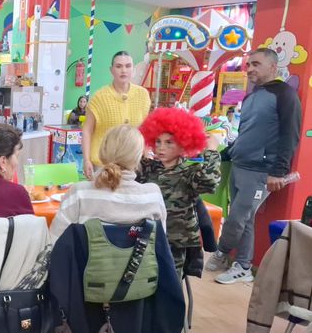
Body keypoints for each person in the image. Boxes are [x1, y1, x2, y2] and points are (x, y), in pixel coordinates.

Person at [207, 48, 302, 284]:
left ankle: (221, 252)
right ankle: (243, 265)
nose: (249, 69)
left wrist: (278, 171)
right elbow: (245, 133)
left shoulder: (285, 94)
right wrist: (225, 154)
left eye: (256, 64)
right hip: (239, 165)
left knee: (237, 218)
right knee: (245, 219)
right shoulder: (251, 96)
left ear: (273, 66)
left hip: (261, 170)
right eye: (249, 64)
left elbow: (291, 134)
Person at [137, 107, 221, 278]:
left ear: (183, 144)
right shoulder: (148, 168)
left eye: (169, 142)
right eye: (158, 141)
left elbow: (209, 182)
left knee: (171, 283)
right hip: (146, 237)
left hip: (176, 242)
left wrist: (212, 151)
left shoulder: (190, 172)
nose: (161, 147)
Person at [50, 125, 166, 241]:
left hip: (84, 253)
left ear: (102, 151)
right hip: (141, 253)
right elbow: (159, 242)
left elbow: (56, 242)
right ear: (138, 156)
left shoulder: (79, 193)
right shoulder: (153, 196)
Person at [81, 51, 151, 179]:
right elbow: (87, 130)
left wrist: (146, 154)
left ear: (133, 69)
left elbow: (145, 128)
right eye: (118, 66)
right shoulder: (99, 97)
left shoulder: (143, 95)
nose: (123, 70)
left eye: (128, 66)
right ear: (111, 70)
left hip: (132, 164)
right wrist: (86, 160)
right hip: (103, 164)